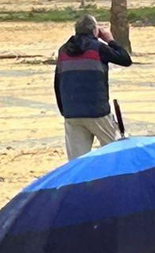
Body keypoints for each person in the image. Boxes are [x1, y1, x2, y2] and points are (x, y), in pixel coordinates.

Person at [53, 13, 132, 159]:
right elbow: (125, 59)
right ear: (95, 31)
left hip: (72, 113)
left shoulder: (63, 51)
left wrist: (65, 110)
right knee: (114, 154)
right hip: (98, 112)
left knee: (77, 161)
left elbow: (57, 82)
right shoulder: (99, 48)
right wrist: (110, 40)